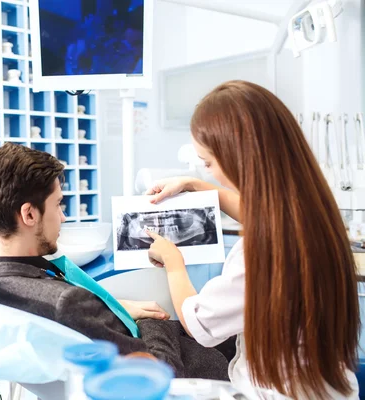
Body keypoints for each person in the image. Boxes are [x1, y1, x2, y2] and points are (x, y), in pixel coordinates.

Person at [145, 80, 360, 399]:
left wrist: (174, 262)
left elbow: (199, 324)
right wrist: (193, 185)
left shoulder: (261, 251)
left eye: (208, 163)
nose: (210, 173)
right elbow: (262, 214)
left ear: (239, 158)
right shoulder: (312, 208)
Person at [0, 142, 232, 379]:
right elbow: (158, 375)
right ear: (29, 215)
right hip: (196, 372)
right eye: (58, 205)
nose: (62, 218)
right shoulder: (68, 303)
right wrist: (152, 323)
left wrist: (113, 307)